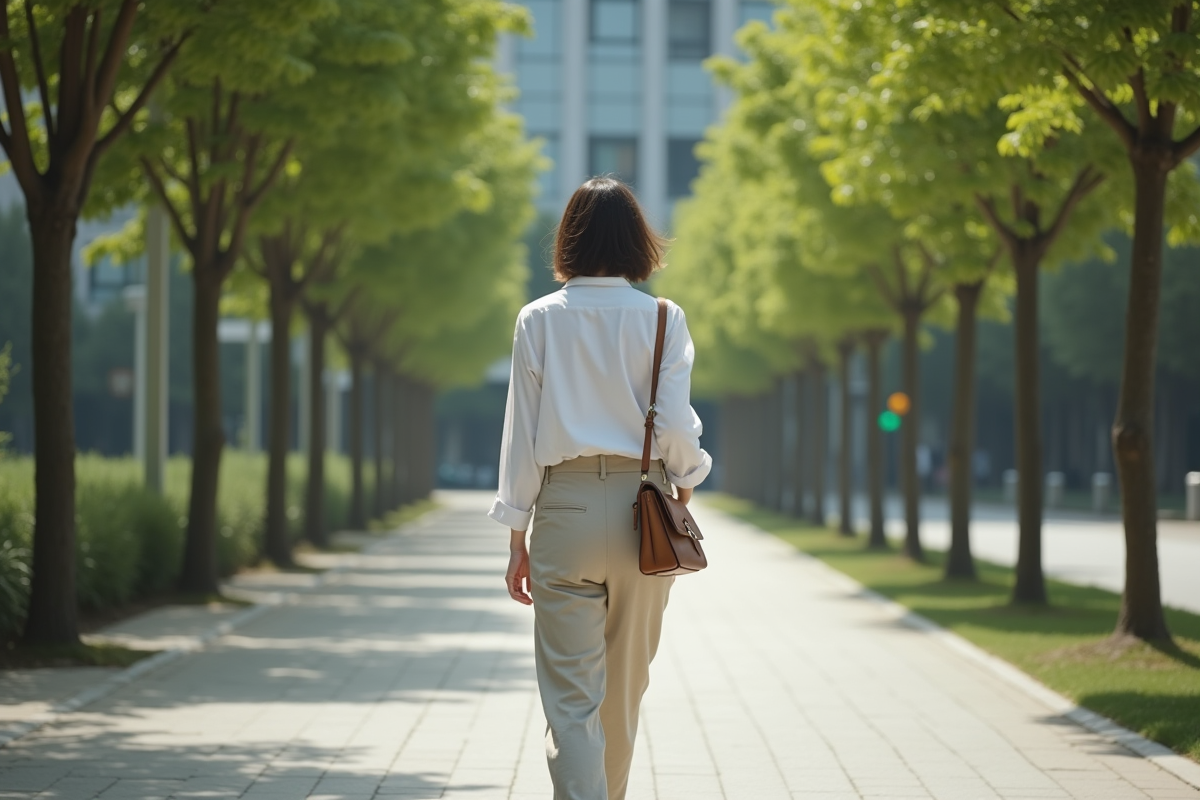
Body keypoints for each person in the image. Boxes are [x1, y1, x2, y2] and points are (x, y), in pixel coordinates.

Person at [489, 177, 711, 799]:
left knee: (571, 701)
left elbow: (520, 434)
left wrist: (516, 536)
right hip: (643, 511)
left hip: (563, 508)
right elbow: (672, 425)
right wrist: (686, 485)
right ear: (638, 241)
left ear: (569, 239)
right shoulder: (664, 319)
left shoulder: (537, 319)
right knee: (624, 692)